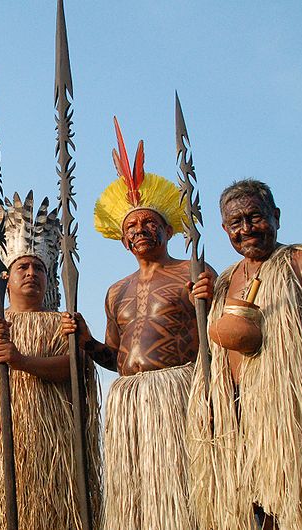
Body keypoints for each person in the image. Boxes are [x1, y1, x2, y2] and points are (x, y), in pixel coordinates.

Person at [187, 179, 302, 530]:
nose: (246, 229)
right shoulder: (227, 279)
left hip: (295, 420)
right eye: (235, 224)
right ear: (224, 229)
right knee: (257, 511)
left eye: (255, 217)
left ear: (275, 216)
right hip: (239, 421)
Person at [65, 118, 213, 530]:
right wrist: (88, 341)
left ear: (168, 228)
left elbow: (216, 339)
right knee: (139, 503)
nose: (140, 229)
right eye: (131, 225)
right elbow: (115, 359)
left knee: (184, 497)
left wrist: (211, 298)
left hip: (179, 393)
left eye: (149, 223)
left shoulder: (194, 272)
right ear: (122, 238)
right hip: (129, 400)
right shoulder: (116, 291)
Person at [0, 192, 101, 530]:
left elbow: (76, 369)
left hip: (52, 444)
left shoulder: (61, 322)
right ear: (6, 275)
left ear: (49, 278)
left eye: (39, 268)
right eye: (23, 266)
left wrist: (21, 360)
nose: (31, 273)